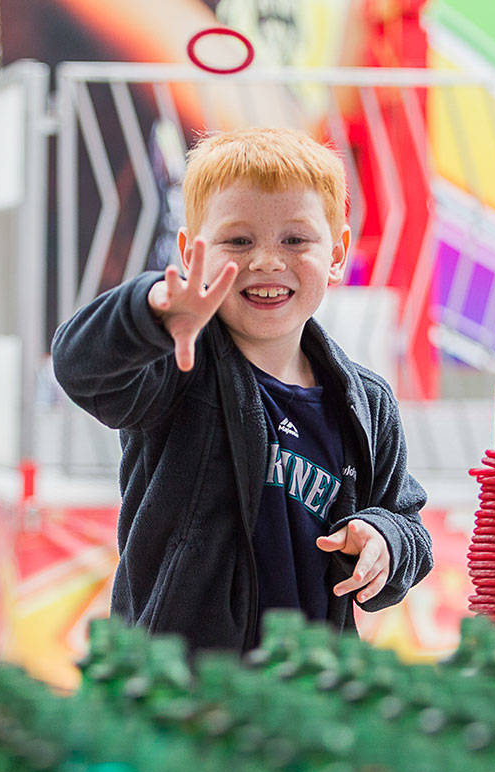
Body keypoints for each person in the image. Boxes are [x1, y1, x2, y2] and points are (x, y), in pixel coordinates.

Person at [51, 127, 432, 651]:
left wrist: (386, 541)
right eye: (239, 240)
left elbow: (406, 520)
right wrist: (152, 311)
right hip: (173, 696)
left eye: (295, 240)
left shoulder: (366, 403)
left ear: (338, 252)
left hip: (305, 699)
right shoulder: (174, 367)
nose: (268, 262)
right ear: (191, 255)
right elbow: (79, 365)